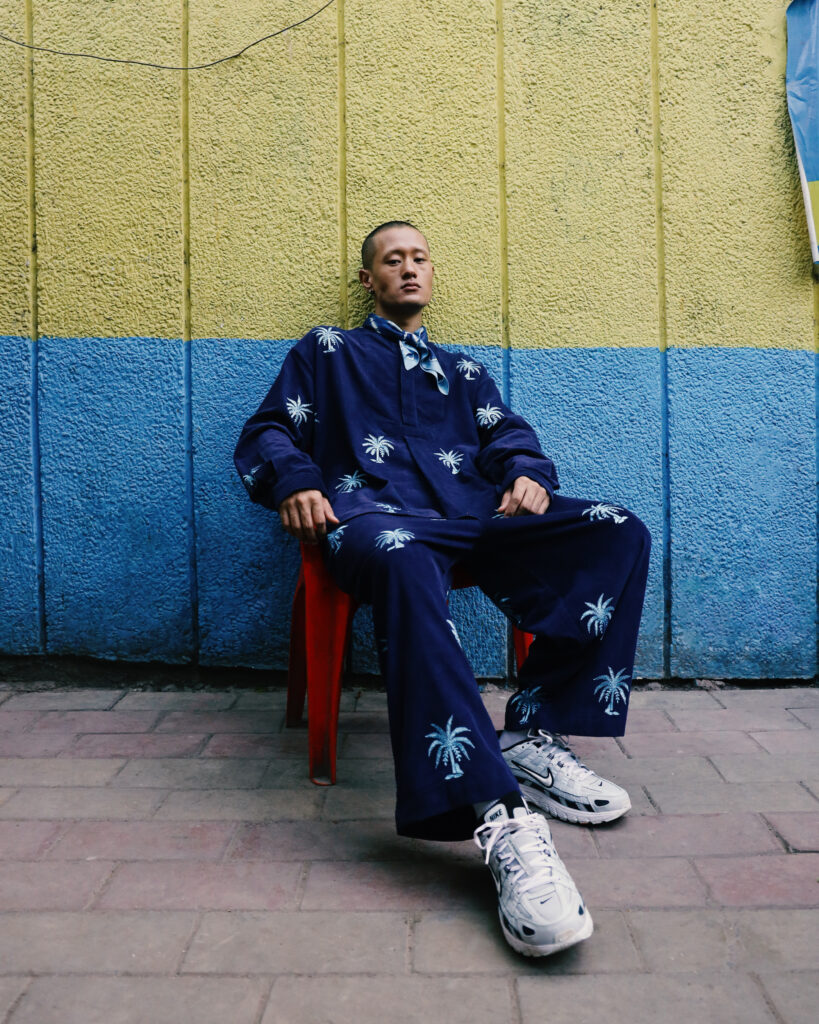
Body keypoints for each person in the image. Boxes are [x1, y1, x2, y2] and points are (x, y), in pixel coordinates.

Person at [235, 221, 651, 958]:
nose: (408, 269)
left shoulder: (462, 371)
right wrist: (294, 480)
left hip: (471, 518)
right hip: (370, 521)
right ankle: (496, 810)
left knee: (617, 530)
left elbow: (507, 434)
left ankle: (530, 731)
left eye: (419, 258)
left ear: (432, 273)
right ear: (368, 279)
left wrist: (527, 472)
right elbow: (268, 430)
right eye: (391, 260)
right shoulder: (326, 352)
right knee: (402, 561)